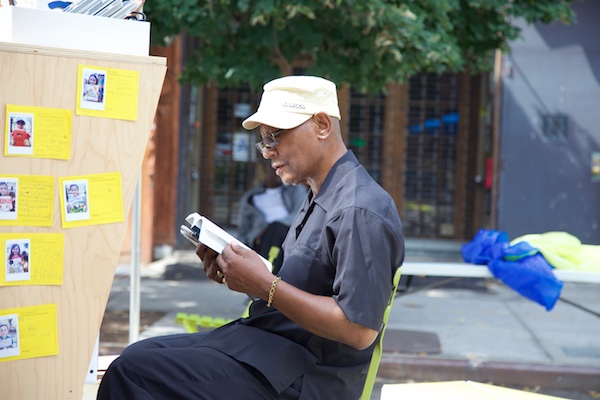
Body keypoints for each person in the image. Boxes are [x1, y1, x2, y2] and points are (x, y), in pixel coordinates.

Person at [97, 76, 405, 400]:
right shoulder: (320, 194)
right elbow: (301, 286)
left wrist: (264, 286)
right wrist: (243, 271)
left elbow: (358, 330)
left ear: (322, 125)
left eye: (275, 137)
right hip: (267, 349)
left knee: (134, 374)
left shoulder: (360, 208)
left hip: (305, 378)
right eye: (263, 141)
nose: (268, 151)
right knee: (137, 355)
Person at [237, 157, 308, 273]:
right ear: (264, 170)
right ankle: (268, 275)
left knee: (276, 229)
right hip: (259, 241)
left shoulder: (295, 190)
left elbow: (300, 215)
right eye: (273, 167)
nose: (277, 171)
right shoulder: (251, 198)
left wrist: (272, 226)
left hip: (287, 236)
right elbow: (243, 231)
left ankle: (268, 275)